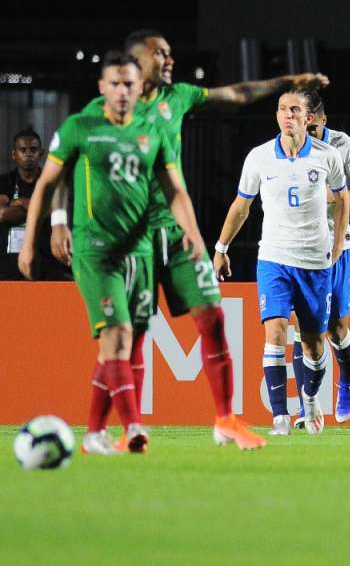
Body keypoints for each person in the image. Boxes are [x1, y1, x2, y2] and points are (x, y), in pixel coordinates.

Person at [50, 28, 325, 445]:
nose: (169, 59)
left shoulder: (176, 96)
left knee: (212, 317)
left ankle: (225, 420)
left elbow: (234, 94)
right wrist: (59, 219)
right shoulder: (97, 115)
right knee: (132, 335)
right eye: (160, 53)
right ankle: (117, 429)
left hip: (176, 233)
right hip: (131, 240)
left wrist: (286, 83)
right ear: (136, 60)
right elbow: (65, 168)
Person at [17, 51, 225, 454]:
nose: (122, 91)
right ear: (102, 87)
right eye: (114, 83)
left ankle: (94, 433)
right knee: (119, 333)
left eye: (129, 83)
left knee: (123, 341)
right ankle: (132, 428)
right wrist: (33, 239)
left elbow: (175, 190)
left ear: (138, 86)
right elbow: (46, 183)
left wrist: (193, 234)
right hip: (96, 252)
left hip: (140, 250)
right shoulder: (81, 126)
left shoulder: (151, 132)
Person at [212, 89, 350, 435]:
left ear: (309, 118)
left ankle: (310, 397)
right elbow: (241, 206)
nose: (287, 115)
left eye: (294, 110)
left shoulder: (328, 156)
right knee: (274, 331)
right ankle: (280, 417)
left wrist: (337, 246)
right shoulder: (259, 158)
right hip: (273, 258)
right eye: (282, 110)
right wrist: (221, 247)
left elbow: (343, 199)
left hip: (315, 263)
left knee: (313, 345)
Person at [292, 91, 350, 427]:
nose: (308, 131)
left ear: (322, 120)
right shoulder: (284, 148)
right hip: (298, 250)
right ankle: (307, 406)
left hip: (338, 246)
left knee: (335, 327)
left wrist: (333, 195)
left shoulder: (343, 145)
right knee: (303, 330)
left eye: (314, 126)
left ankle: (347, 381)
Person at [1, 130, 67, 280]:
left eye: (33, 150)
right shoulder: (4, 182)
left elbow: (58, 211)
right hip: (10, 268)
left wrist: (15, 204)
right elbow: (2, 213)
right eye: (23, 150)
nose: (28, 154)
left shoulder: (53, 183)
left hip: (48, 266)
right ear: (14, 154)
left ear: (42, 153)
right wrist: (42, 208)